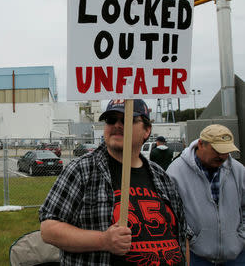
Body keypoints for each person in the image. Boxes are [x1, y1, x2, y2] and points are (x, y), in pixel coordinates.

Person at [39, 99, 187, 265]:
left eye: (127, 119)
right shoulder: (82, 169)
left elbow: (181, 233)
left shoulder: (161, 177)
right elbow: (49, 229)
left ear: (147, 130)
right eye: (111, 120)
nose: (117, 125)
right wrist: (103, 240)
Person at [167, 124, 245, 265]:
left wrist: (241, 237)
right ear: (201, 144)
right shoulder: (175, 172)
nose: (222, 156)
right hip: (196, 256)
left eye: (227, 151)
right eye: (217, 150)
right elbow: (171, 213)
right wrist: (192, 239)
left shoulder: (239, 171)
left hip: (236, 255)